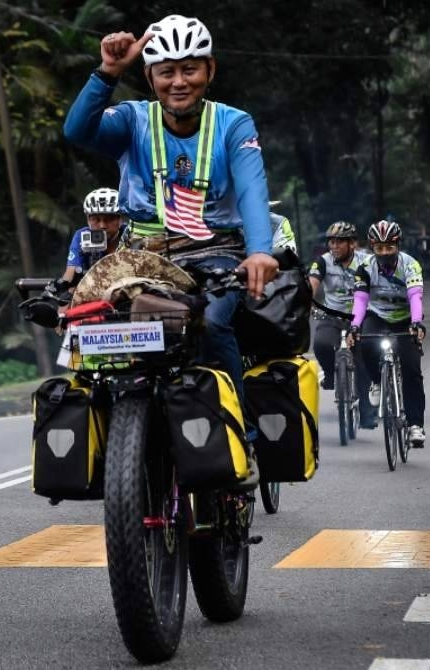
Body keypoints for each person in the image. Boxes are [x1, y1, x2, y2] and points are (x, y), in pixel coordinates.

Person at [62, 14, 279, 429]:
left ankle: (240, 432)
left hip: (214, 254)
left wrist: (259, 253)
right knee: (92, 327)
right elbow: (77, 131)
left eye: (190, 69)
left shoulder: (234, 124)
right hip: (139, 256)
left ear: (210, 70)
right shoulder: (131, 120)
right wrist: (108, 73)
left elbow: (252, 190)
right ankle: (120, 433)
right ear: (149, 76)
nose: (178, 82)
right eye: (166, 72)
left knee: (213, 322)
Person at [349, 219, 427, 445]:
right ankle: (376, 381)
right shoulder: (364, 268)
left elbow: (415, 296)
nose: (384, 252)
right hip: (378, 315)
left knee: (412, 369)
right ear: (372, 247)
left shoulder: (410, 265)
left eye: (389, 248)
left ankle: (415, 425)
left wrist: (416, 322)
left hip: (405, 318)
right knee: (365, 344)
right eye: (379, 248)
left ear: (398, 246)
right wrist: (355, 326)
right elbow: (361, 300)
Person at [308, 221, 377, 428]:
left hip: (360, 317)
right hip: (333, 317)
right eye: (331, 242)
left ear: (352, 244)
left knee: (362, 358)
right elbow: (312, 283)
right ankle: (330, 374)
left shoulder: (367, 261)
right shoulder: (323, 261)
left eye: (339, 242)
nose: (334, 246)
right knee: (321, 344)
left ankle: (366, 413)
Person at [56, 187, 128, 290]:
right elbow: (70, 275)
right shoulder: (82, 236)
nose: (102, 225)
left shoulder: (130, 233)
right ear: (88, 220)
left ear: (120, 219)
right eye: (96, 219)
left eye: (109, 219)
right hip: (92, 290)